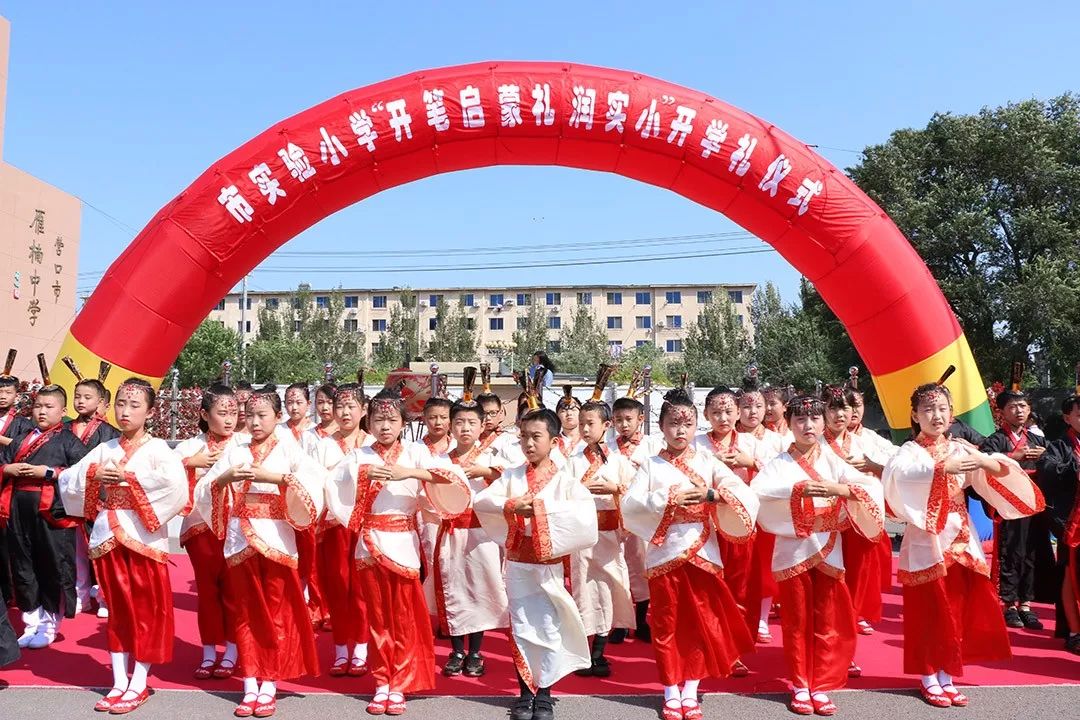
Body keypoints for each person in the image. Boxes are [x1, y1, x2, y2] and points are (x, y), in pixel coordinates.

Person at [882, 371, 1044, 708]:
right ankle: (927, 676)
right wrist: (941, 469)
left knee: (955, 609)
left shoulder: (960, 446)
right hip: (926, 539)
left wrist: (986, 460)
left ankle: (947, 675)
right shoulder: (909, 451)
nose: (936, 415)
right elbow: (899, 477)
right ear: (914, 415)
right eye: (927, 409)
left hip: (959, 536)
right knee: (928, 611)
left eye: (942, 408)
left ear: (952, 413)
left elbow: (997, 470)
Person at [325, 388, 470, 716]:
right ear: (369, 422)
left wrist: (410, 473)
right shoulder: (359, 456)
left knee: (402, 618)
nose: (385, 426)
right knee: (377, 619)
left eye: (391, 420)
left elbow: (451, 478)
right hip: (369, 544)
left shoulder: (416, 454)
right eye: (378, 419)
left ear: (403, 423)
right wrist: (363, 477)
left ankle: (400, 682)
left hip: (403, 542)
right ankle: (381, 682)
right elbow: (334, 486)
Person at [622, 387, 759, 720]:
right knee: (667, 623)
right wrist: (666, 500)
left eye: (686, 424)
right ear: (661, 427)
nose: (679, 431)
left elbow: (740, 490)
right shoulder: (650, 465)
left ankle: (691, 691)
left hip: (703, 552)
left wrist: (712, 493)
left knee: (700, 622)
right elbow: (630, 504)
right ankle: (670, 689)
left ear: (696, 425)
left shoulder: (707, 461)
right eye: (672, 424)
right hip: (664, 554)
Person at [59, 378, 188, 714]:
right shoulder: (107, 448)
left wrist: (130, 479)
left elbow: (176, 488)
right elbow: (69, 476)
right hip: (109, 536)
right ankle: (118, 680)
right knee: (117, 611)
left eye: (134, 405)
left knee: (145, 610)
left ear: (150, 411)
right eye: (120, 404)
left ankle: (139, 682)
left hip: (143, 538)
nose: (125, 411)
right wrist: (92, 475)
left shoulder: (160, 449)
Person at [196, 386, 325, 718]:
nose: (253, 422)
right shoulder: (235, 450)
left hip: (276, 539)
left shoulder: (289, 448)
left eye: (261, 415)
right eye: (249, 415)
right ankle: (250, 683)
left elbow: (313, 482)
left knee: (274, 612)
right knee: (244, 612)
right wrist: (223, 478)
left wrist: (278, 478)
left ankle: (269, 682)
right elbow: (205, 488)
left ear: (278, 417)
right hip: (240, 538)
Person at [752, 395, 885, 716]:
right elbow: (756, 493)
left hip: (829, 549)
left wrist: (838, 490)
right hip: (792, 552)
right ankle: (800, 685)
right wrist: (799, 490)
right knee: (797, 622)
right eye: (799, 419)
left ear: (823, 422)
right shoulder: (779, 464)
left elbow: (867, 485)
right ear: (789, 424)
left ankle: (821, 684)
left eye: (813, 419)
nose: (807, 425)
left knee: (827, 619)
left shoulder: (833, 461)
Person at [474, 405, 598, 720]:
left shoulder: (567, 479)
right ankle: (525, 693)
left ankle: (545, 693)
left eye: (536, 437)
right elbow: (483, 501)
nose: (529, 444)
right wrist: (513, 505)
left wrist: (541, 512)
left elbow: (584, 518)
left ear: (554, 441)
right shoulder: (512, 475)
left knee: (548, 628)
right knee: (522, 627)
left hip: (549, 564)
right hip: (518, 564)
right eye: (524, 437)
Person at [0, 355, 89, 649]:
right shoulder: (21, 437)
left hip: (51, 513)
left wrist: (49, 472)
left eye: (49, 407)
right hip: (17, 508)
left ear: (62, 411)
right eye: (38, 405)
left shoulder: (69, 441)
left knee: (51, 564)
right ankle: (31, 620)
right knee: (22, 563)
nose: (41, 411)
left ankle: (51, 622)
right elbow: (3, 462)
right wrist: (7, 470)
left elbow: (83, 474)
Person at [429, 373, 509, 678]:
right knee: (454, 589)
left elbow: (509, 481)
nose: (465, 428)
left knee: (481, 590)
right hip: (451, 531)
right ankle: (456, 650)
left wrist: (486, 470)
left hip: (482, 533)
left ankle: (476, 651)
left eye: (472, 423)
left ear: (481, 426)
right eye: (459, 422)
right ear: (451, 425)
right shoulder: (440, 459)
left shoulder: (492, 457)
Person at [567, 365, 635, 678]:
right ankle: (583, 651)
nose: (584, 429)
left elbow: (634, 497)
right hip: (582, 538)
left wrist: (616, 489)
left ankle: (600, 652)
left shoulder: (620, 460)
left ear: (606, 425)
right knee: (582, 590)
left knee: (608, 591)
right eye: (581, 423)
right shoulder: (572, 460)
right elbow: (562, 494)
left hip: (609, 535)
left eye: (590, 423)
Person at [174, 384, 241, 680]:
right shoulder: (190, 447)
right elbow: (163, 472)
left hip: (238, 528)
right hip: (201, 529)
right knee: (207, 591)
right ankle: (209, 651)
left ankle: (233, 650)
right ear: (204, 414)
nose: (229, 420)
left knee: (234, 592)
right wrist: (190, 464)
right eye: (221, 413)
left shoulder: (245, 443)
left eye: (233, 413)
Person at [818, 384, 896, 637]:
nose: (840, 414)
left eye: (845, 408)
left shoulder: (866, 442)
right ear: (823, 411)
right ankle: (832, 621)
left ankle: (852, 615)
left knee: (859, 572)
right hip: (824, 520)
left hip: (857, 518)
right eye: (833, 408)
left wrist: (874, 467)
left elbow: (897, 462)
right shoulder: (814, 444)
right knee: (829, 576)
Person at [979, 373, 1053, 629]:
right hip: (1009, 507)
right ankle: (1008, 603)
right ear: (1001, 412)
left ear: (1029, 410)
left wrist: (1046, 457)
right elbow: (984, 465)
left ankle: (1026, 604)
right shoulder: (995, 440)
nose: (1018, 410)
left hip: (1034, 505)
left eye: (1022, 406)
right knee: (1009, 553)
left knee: (1032, 552)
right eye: (1012, 406)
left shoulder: (1040, 441)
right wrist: (1013, 455)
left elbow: (1056, 466)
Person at [310, 381, 370, 677]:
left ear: (363, 409)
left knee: (360, 590)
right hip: (333, 527)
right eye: (340, 407)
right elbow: (313, 483)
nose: (345, 412)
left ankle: (361, 647)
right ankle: (341, 648)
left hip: (366, 528)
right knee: (337, 587)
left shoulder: (372, 443)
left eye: (351, 406)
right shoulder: (322, 445)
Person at [61, 359, 122, 616]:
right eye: (77, 396)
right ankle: (80, 594)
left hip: (100, 498)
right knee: (75, 550)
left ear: (101, 402)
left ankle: (106, 597)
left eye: (87, 397)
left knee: (102, 548)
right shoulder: (64, 429)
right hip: (72, 496)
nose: (81, 401)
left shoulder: (109, 431)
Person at [606, 388, 659, 644]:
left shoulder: (653, 447)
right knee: (617, 566)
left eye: (629, 419)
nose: (624, 425)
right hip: (613, 516)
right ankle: (619, 621)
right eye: (619, 420)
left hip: (640, 517)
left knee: (640, 565)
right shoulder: (606, 449)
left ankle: (640, 618)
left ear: (641, 418)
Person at [1035, 388, 1080, 654]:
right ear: (1067, 418)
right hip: (1073, 523)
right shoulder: (1059, 447)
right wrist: (1075, 470)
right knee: (1070, 575)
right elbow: (1048, 470)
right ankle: (1074, 631)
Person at [553, 386, 584, 462]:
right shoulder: (551, 442)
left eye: (573, 409)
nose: (569, 413)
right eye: (563, 411)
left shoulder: (589, 440)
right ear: (557, 416)